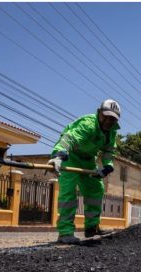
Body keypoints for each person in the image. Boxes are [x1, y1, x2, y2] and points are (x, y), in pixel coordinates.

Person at [48, 99, 121, 244]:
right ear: (99, 112)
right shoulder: (88, 124)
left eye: (112, 118)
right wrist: (59, 156)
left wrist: (107, 166)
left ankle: (92, 228)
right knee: (68, 194)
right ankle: (65, 233)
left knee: (95, 189)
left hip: (88, 159)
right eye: (105, 116)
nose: (107, 121)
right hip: (70, 157)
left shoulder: (112, 130)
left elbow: (108, 151)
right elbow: (69, 139)